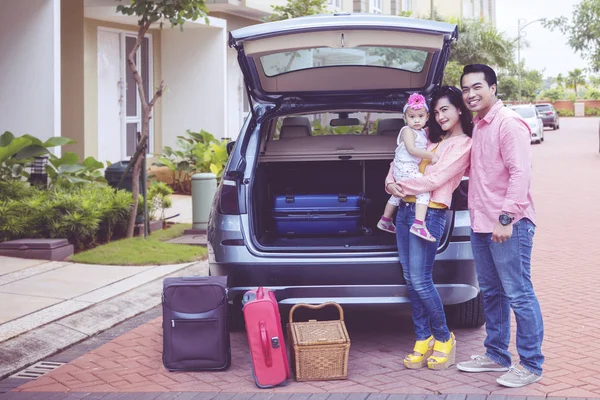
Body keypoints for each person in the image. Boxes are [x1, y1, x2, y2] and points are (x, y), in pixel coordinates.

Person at [455, 64, 544, 388]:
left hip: (509, 224)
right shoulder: (479, 125)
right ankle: (496, 355)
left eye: (477, 87)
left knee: (518, 293)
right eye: (465, 89)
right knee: (491, 293)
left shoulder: (508, 124)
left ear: (493, 87)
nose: (470, 94)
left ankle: (531, 364)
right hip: (481, 223)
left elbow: (521, 174)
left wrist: (506, 218)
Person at [385, 86, 473, 370]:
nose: (439, 116)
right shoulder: (427, 137)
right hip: (405, 211)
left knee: (422, 280)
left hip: (430, 213)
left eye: (445, 109)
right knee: (411, 279)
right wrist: (390, 184)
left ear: (460, 109)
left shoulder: (464, 144)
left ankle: (444, 338)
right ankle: (423, 338)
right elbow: (400, 161)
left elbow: (436, 180)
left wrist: (401, 187)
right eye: (435, 112)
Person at [377, 93, 439, 242]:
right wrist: (432, 156)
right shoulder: (407, 130)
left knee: (399, 194)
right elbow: (412, 150)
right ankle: (418, 224)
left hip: (404, 169)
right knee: (424, 191)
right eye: (411, 117)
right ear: (405, 118)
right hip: (405, 168)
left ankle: (385, 220)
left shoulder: (422, 132)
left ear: (427, 117)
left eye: (420, 116)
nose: (416, 120)